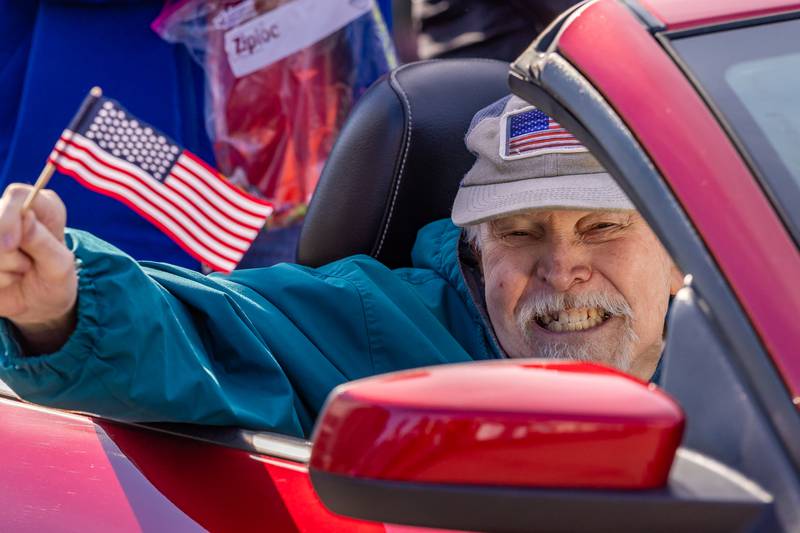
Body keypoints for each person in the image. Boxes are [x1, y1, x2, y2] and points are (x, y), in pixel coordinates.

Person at [0, 96, 682, 438]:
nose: (563, 269)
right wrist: (61, 304)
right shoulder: (375, 330)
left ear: (681, 244)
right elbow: (203, 331)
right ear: (477, 244)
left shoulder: (768, 336)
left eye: (601, 228)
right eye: (521, 231)